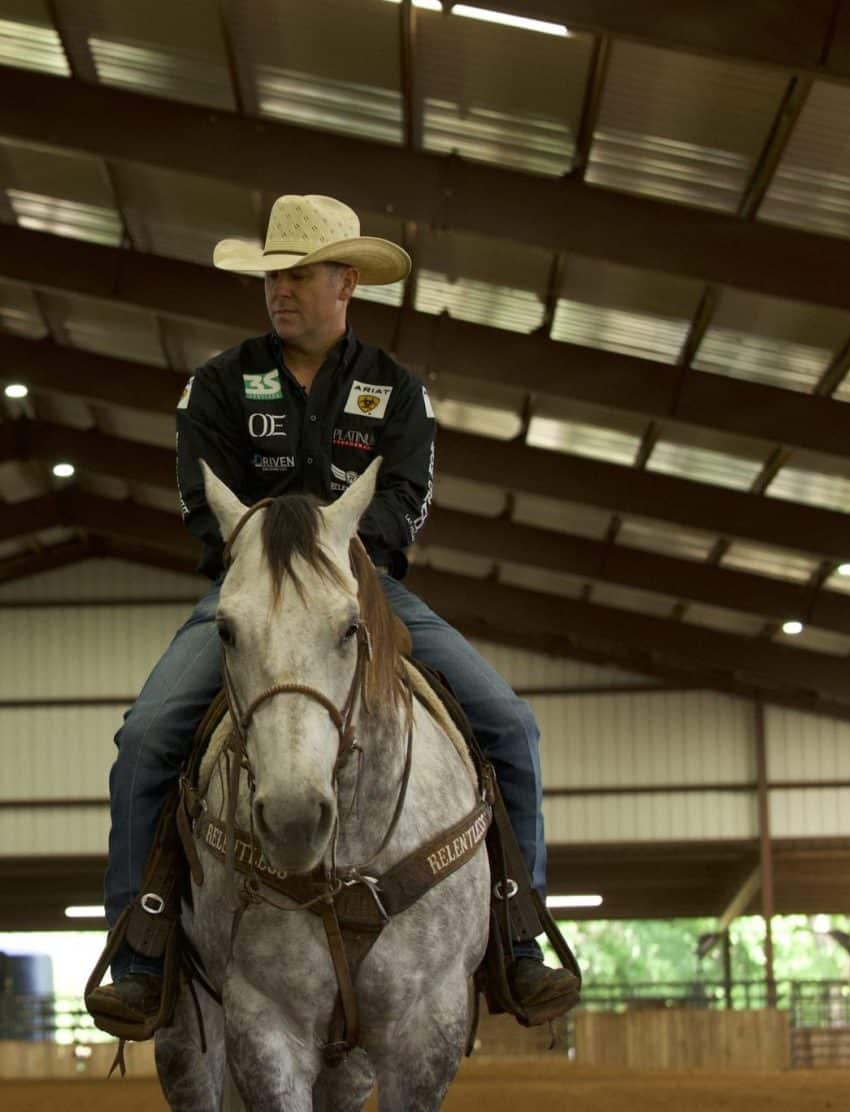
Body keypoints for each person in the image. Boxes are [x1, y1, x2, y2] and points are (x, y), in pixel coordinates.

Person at [87, 194, 579, 1029]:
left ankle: (518, 928)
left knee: (509, 724)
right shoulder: (217, 385)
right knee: (147, 736)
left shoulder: (395, 391)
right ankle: (142, 942)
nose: (282, 290)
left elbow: (405, 501)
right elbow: (204, 506)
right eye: (274, 276)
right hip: (250, 591)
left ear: (345, 282)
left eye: (301, 275)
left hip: (367, 591)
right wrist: (272, 557)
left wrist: (337, 558)